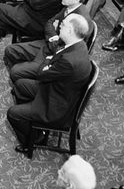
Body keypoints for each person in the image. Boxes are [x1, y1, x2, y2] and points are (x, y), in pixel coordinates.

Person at [6, 14, 93, 154]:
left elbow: (41, 73)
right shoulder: (78, 45)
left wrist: (47, 59)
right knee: (20, 85)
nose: (59, 26)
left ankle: (32, 141)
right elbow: (48, 67)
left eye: (63, 25)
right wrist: (49, 60)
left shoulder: (70, 61)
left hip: (55, 106)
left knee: (13, 113)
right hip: (59, 90)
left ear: (70, 30)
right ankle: (35, 125)